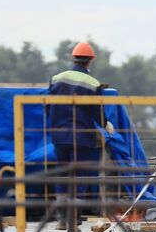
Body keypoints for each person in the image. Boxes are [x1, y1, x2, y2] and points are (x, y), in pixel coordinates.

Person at [45, 42, 110, 204]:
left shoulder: (57, 79)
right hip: (82, 138)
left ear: (74, 59)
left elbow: (47, 106)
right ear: (90, 60)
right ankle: (73, 218)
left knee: (62, 174)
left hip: (59, 136)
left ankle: (61, 217)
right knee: (80, 176)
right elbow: (96, 111)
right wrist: (105, 123)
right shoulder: (93, 83)